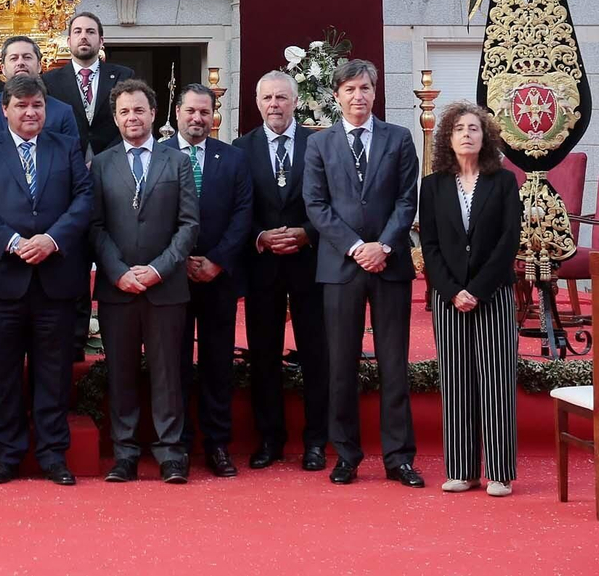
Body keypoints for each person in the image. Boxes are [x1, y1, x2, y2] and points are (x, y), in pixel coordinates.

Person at [0, 74, 94, 486]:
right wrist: (13, 241)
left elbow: (84, 199)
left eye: (37, 105)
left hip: (55, 279)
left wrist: (52, 240)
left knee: (52, 373)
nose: (30, 112)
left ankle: (53, 455)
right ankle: (8, 455)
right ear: (5, 110)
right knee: (3, 374)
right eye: (21, 106)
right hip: (4, 280)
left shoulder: (66, 146)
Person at [301, 58, 423, 488]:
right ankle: (346, 455)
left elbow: (407, 199)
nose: (358, 96)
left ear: (375, 93)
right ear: (336, 96)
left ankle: (399, 457)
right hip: (340, 267)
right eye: (350, 89)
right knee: (340, 365)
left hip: (390, 264)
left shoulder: (400, 138)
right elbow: (316, 205)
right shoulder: (319, 144)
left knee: (394, 364)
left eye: (365, 88)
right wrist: (356, 247)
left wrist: (383, 246)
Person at [91, 80, 198, 484]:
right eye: (124, 112)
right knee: (121, 373)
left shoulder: (177, 162)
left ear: (154, 114)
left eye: (139, 110)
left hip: (165, 287)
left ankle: (171, 453)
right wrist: (118, 271)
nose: (132, 118)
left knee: (168, 372)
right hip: (117, 288)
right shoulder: (101, 164)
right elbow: (95, 226)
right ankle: (125, 452)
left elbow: (188, 225)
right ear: (115, 118)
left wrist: (157, 269)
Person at [420, 102, 521, 497]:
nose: (466, 134)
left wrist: (477, 289)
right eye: (459, 128)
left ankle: (499, 471)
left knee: (496, 381)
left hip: (491, 293)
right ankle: (461, 469)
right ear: (447, 137)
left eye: (474, 128)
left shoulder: (504, 182)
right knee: (457, 382)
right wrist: (450, 289)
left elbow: (508, 240)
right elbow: (429, 244)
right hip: (448, 297)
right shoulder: (433, 185)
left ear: (486, 137)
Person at [235, 71, 328, 472]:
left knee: (315, 354)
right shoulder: (240, 149)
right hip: (262, 266)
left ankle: (316, 442)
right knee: (264, 355)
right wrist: (260, 237)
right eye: (267, 98)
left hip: (310, 263)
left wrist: (307, 234)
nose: (274, 104)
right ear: (257, 103)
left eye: (282, 97)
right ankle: (270, 439)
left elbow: (330, 200)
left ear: (295, 101)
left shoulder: (318, 144)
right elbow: (238, 207)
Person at [169, 84, 253, 479]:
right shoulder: (160, 155)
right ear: (176, 112)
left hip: (219, 278)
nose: (197, 118)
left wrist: (217, 261)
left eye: (205, 112)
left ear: (213, 116)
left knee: (218, 364)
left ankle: (218, 445)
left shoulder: (233, 159)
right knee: (175, 365)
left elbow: (243, 215)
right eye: (191, 111)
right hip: (173, 279)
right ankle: (179, 445)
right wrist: (178, 259)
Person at [42, 12, 132, 159]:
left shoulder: (123, 76)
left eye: (90, 32)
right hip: (66, 161)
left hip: (113, 160)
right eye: (78, 31)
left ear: (101, 41)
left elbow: (128, 121)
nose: (83, 36)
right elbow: (48, 125)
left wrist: (105, 159)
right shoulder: (49, 81)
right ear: (69, 41)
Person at [0, 36, 79, 141]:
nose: (20, 63)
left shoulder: (62, 112)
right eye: (14, 58)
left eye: (27, 57)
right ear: (3, 68)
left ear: (40, 65)